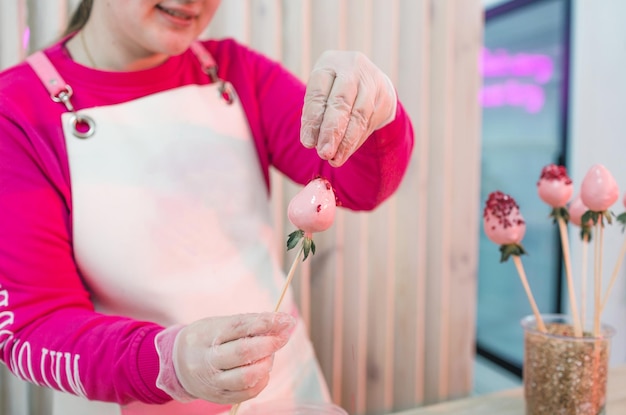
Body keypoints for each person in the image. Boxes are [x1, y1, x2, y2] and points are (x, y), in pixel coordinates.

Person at [0, 0, 414, 414]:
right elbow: (33, 326)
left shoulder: (232, 71)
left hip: (286, 393)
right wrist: (171, 361)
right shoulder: (16, 114)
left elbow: (360, 186)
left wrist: (378, 110)